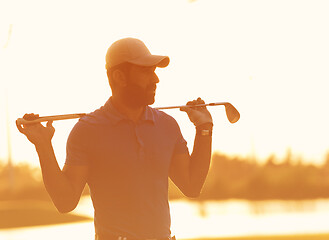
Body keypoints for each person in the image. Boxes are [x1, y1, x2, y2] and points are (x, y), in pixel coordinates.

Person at [16, 37, 213, 240]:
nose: (156, 79)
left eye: (154, 71)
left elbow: (192, 186)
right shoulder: (87, 131)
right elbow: (65, 202)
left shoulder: (168, 125)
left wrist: (204, 128)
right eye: (146, 71)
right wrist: (43, 145)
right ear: (120, 77)